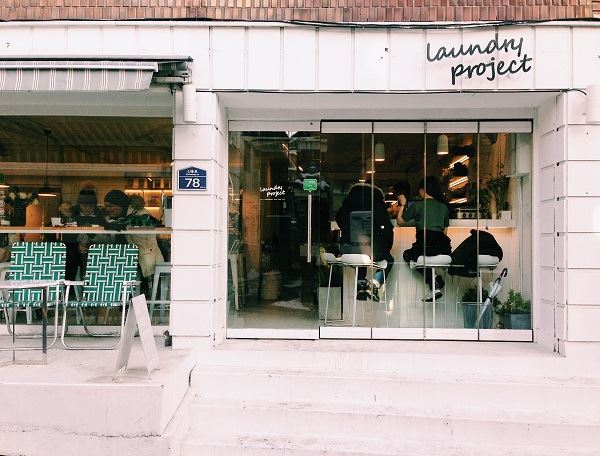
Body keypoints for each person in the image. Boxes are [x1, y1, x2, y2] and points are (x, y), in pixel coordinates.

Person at [335, 182, 394, 301]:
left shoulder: (348, 203)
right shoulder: (377, 203)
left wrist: (349, 233)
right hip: (371, 250)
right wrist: (386, 246)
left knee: (361, 255)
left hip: (348, 249)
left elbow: (338, 218)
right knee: (389, 260)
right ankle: (375, 284)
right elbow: (387, 228)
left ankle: (361, 285)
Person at [397, 176, 451, 301]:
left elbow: (399, 221)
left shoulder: (418, 206)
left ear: (422, 190)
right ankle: (434, 286)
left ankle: (433, 279)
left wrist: (403, 204)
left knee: (407, 255)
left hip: (424, 246)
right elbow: (445, 232)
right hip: (443, 248)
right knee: (418, 256)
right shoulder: (444, 207)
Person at [103, 190, 164, 294]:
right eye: (106, 206)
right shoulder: (115, 217)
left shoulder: (140, 212)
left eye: (111, 206)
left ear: (120, 205)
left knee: (144, 289)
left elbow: (151, 222)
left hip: (144, 255)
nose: (108, 209)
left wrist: (123, 224)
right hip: (128, 258)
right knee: (131, 288)